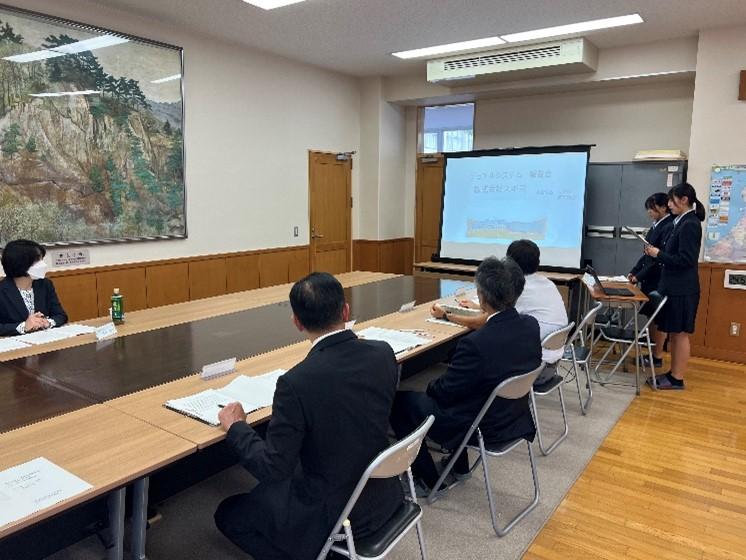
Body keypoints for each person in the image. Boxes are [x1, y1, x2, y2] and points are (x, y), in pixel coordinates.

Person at [214, 272, 402, 560]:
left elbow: (274, 469)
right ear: (346, 311)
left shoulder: (296, 383)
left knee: (228, 514)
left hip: (334, 511)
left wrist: (236, 427)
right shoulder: (383, 353)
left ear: (297, 322)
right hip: (383, 493)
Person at [391, 257, 542, 495]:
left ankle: (428, 480)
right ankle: (458, 466)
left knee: (401, 402)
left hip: (482, 426)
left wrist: (430, 386)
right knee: (463, 393)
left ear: (481, 296)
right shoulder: (531, 326)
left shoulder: (476, 344)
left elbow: (445, 393)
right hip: (513, 416)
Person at [431, 239, 567, 384]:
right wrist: (479, 306)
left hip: (532, 370)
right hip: (549, 363)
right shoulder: (547, 283)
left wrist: (446, 315)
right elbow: (505, 311)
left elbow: (482, 323)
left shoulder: (520, 289)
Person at [643, 182, 704, 390]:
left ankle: (677, 378)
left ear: (684, 200)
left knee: (680, 334)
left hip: (683, 289)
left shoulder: (690, 224)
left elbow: (685, 260)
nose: (669, 204)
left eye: (671, 200)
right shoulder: (681, 221)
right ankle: (673, 374)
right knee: (675, 333)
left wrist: (658, 254)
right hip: (674, 287)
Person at [628, 192, 674, 368]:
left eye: (652, 208)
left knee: (659, 319)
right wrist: (635, 271)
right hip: (649, 277)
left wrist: (638, 276)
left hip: (658, 279)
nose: (649, 212)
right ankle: (653, 354)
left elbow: (657, 259)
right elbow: (647, 255)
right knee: (651, 317)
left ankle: (657, 355)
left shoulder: (668, 226)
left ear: (663, 207)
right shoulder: (656, 225)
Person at [0, 239, 67, 336]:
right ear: (21, 263)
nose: (43, 265)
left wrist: (47, 322)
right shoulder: (2, 290)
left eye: (42, 259)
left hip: (45, 339)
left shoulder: (45, 284)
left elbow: (60, 315)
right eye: (37, 260)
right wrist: (23, 327)